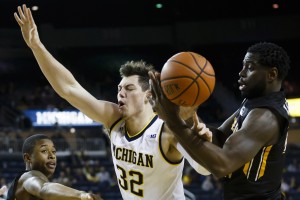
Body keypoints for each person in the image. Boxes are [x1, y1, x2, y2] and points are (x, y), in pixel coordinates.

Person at [14, 4, 212, 200]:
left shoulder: (167, 130)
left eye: (129, 89)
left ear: (149, 95)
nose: (120, 94)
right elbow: (69, 89)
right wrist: (36, 46)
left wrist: (202, 144)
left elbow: (204, 169)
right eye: (119, 89)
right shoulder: (113, 117)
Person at [149, 42, 291, 199]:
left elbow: (223, 165)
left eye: (249, 67)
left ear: (271, 75)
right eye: (243, 66)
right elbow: (219, 137)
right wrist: (186, 115)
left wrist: (172, 120)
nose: (241, 72)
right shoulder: (255, 102)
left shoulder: (266, 117)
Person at [6, 134, 102, 200]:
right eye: (44, 151)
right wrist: (82, 195)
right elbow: (44, 189)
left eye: (54, 151)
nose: (52, 156)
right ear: (28, 157)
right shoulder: (28, 177)